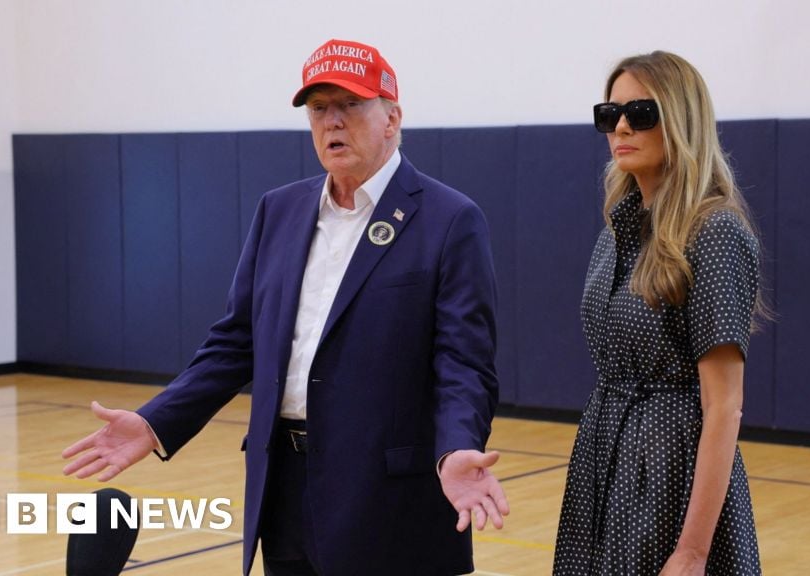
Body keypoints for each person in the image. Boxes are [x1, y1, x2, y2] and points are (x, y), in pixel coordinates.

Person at [62, 38, 509, 576]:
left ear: (392, 118)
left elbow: (463, 363)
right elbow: (234, 344)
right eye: (319, 109)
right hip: (283, 489)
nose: (332, 122)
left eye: (350, 105)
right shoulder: (280, 209)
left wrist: (457, 447)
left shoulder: (449, 219)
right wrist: (156, 423)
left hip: (389, 499)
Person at [553, 51, 764, 575]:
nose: (621, 126)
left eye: (641, 113)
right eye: (610, 114)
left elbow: (724, 406)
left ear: (681, 118)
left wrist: (692, 551)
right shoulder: (616, 232)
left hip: (672, 468)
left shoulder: (714, 232)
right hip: (603, 456)